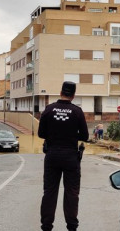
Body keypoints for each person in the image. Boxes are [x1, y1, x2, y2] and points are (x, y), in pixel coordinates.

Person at [38, 81, 89, 231]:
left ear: (60, 92)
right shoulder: (77, 111)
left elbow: (41, 133)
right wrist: (72, 134)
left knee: (49, 192)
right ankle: (72, 227)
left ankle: (46, 226)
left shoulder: (49, 109)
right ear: (73, 95)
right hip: (71, 157)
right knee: (72, 192)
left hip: (52, 155)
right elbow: (85, 136)